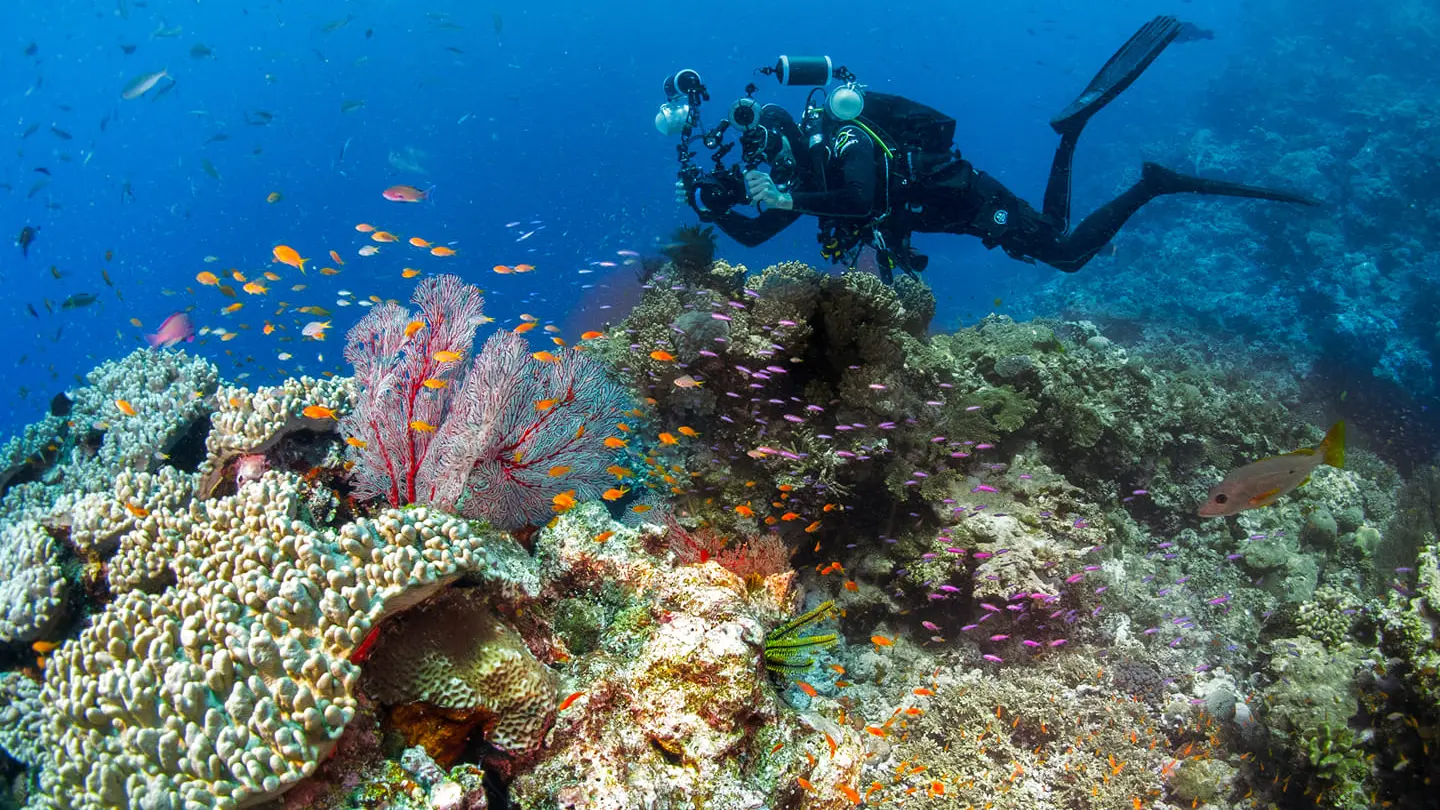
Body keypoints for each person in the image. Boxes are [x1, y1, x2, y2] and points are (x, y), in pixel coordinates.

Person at [683, 16, 1317, 282]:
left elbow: (862, 196)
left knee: (1065, 254)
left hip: (969, 200)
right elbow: (759, 239)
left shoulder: (844, 141)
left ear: (795, 136)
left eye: (770, 155)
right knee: (1057, 234)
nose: (767, 168)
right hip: (954, 212)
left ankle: (1153, 183)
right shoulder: (808, 174)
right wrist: (715, 207)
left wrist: (791, 191)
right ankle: (1071, 135)